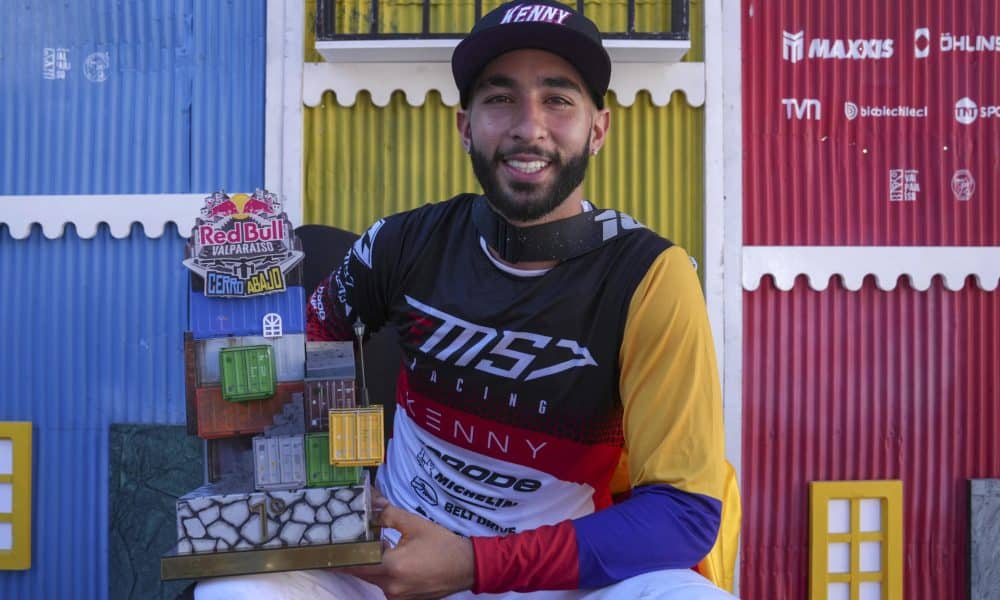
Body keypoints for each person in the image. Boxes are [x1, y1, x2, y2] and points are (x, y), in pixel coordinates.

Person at [196, 1, 738, 598]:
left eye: (558, 99)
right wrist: (323, 485)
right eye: (500, 98)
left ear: (598, 129)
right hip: (387, 560)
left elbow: (685, 514)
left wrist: (474, 563)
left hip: (552, 579)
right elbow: (308, 339)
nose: (529, 126)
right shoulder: (401, 241)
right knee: (232, 592)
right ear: (464, 126)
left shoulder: (652, 277)